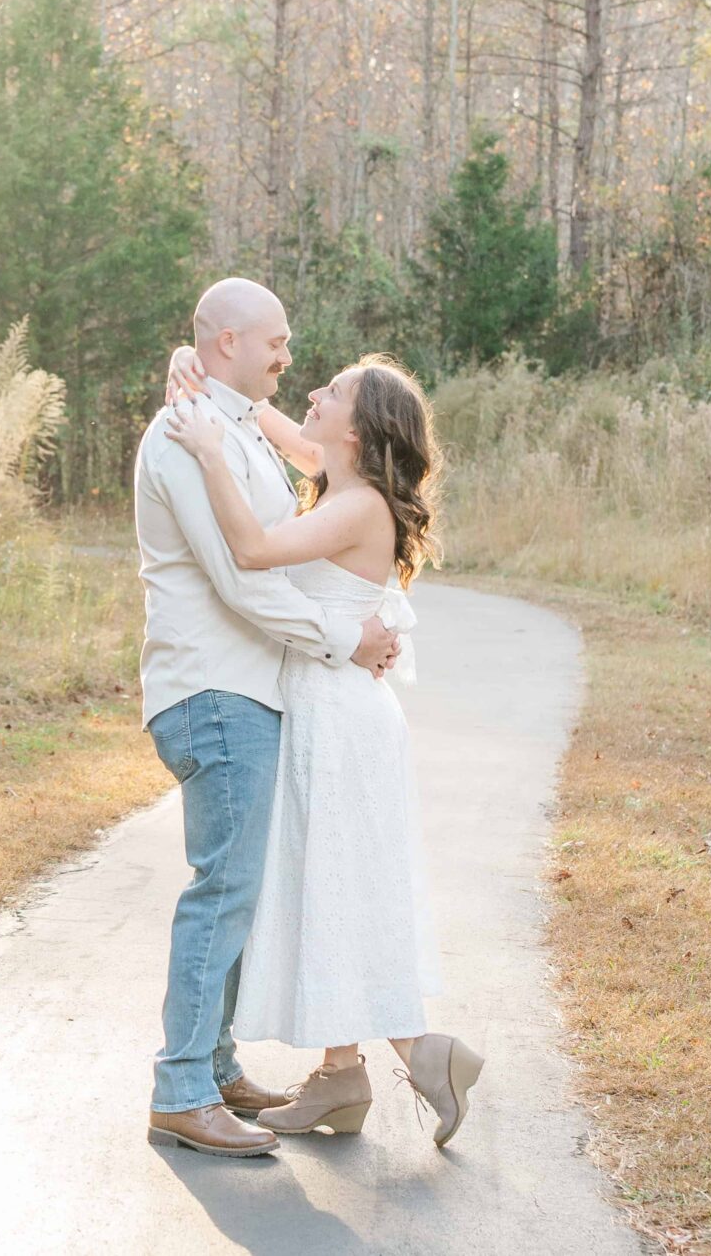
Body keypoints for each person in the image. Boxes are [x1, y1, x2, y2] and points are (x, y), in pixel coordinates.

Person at [159, 344, 486, 1148]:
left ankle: (419, 1049)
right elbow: (264, 414)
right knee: (325, 880)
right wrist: (193, 363)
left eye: (331, 391)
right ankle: (344, 1073)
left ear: (359, 430)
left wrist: (208, 452)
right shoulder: (339, 478)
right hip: (328, 707)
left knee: (339, 881)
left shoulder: (359, 504)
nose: (310, 391)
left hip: (339, 717)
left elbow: (251, 551)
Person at [134, 278, 403, 1159]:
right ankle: (181, 1089)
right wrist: (344, 638)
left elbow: (306, 487)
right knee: (222, 891)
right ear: (229, 343)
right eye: (276, 341)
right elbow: (242, 580)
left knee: (240, 893)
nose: (290, 356)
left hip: (250, 689)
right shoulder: (184, 434)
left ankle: (213, 1070)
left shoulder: (237, 424)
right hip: (215, 689)